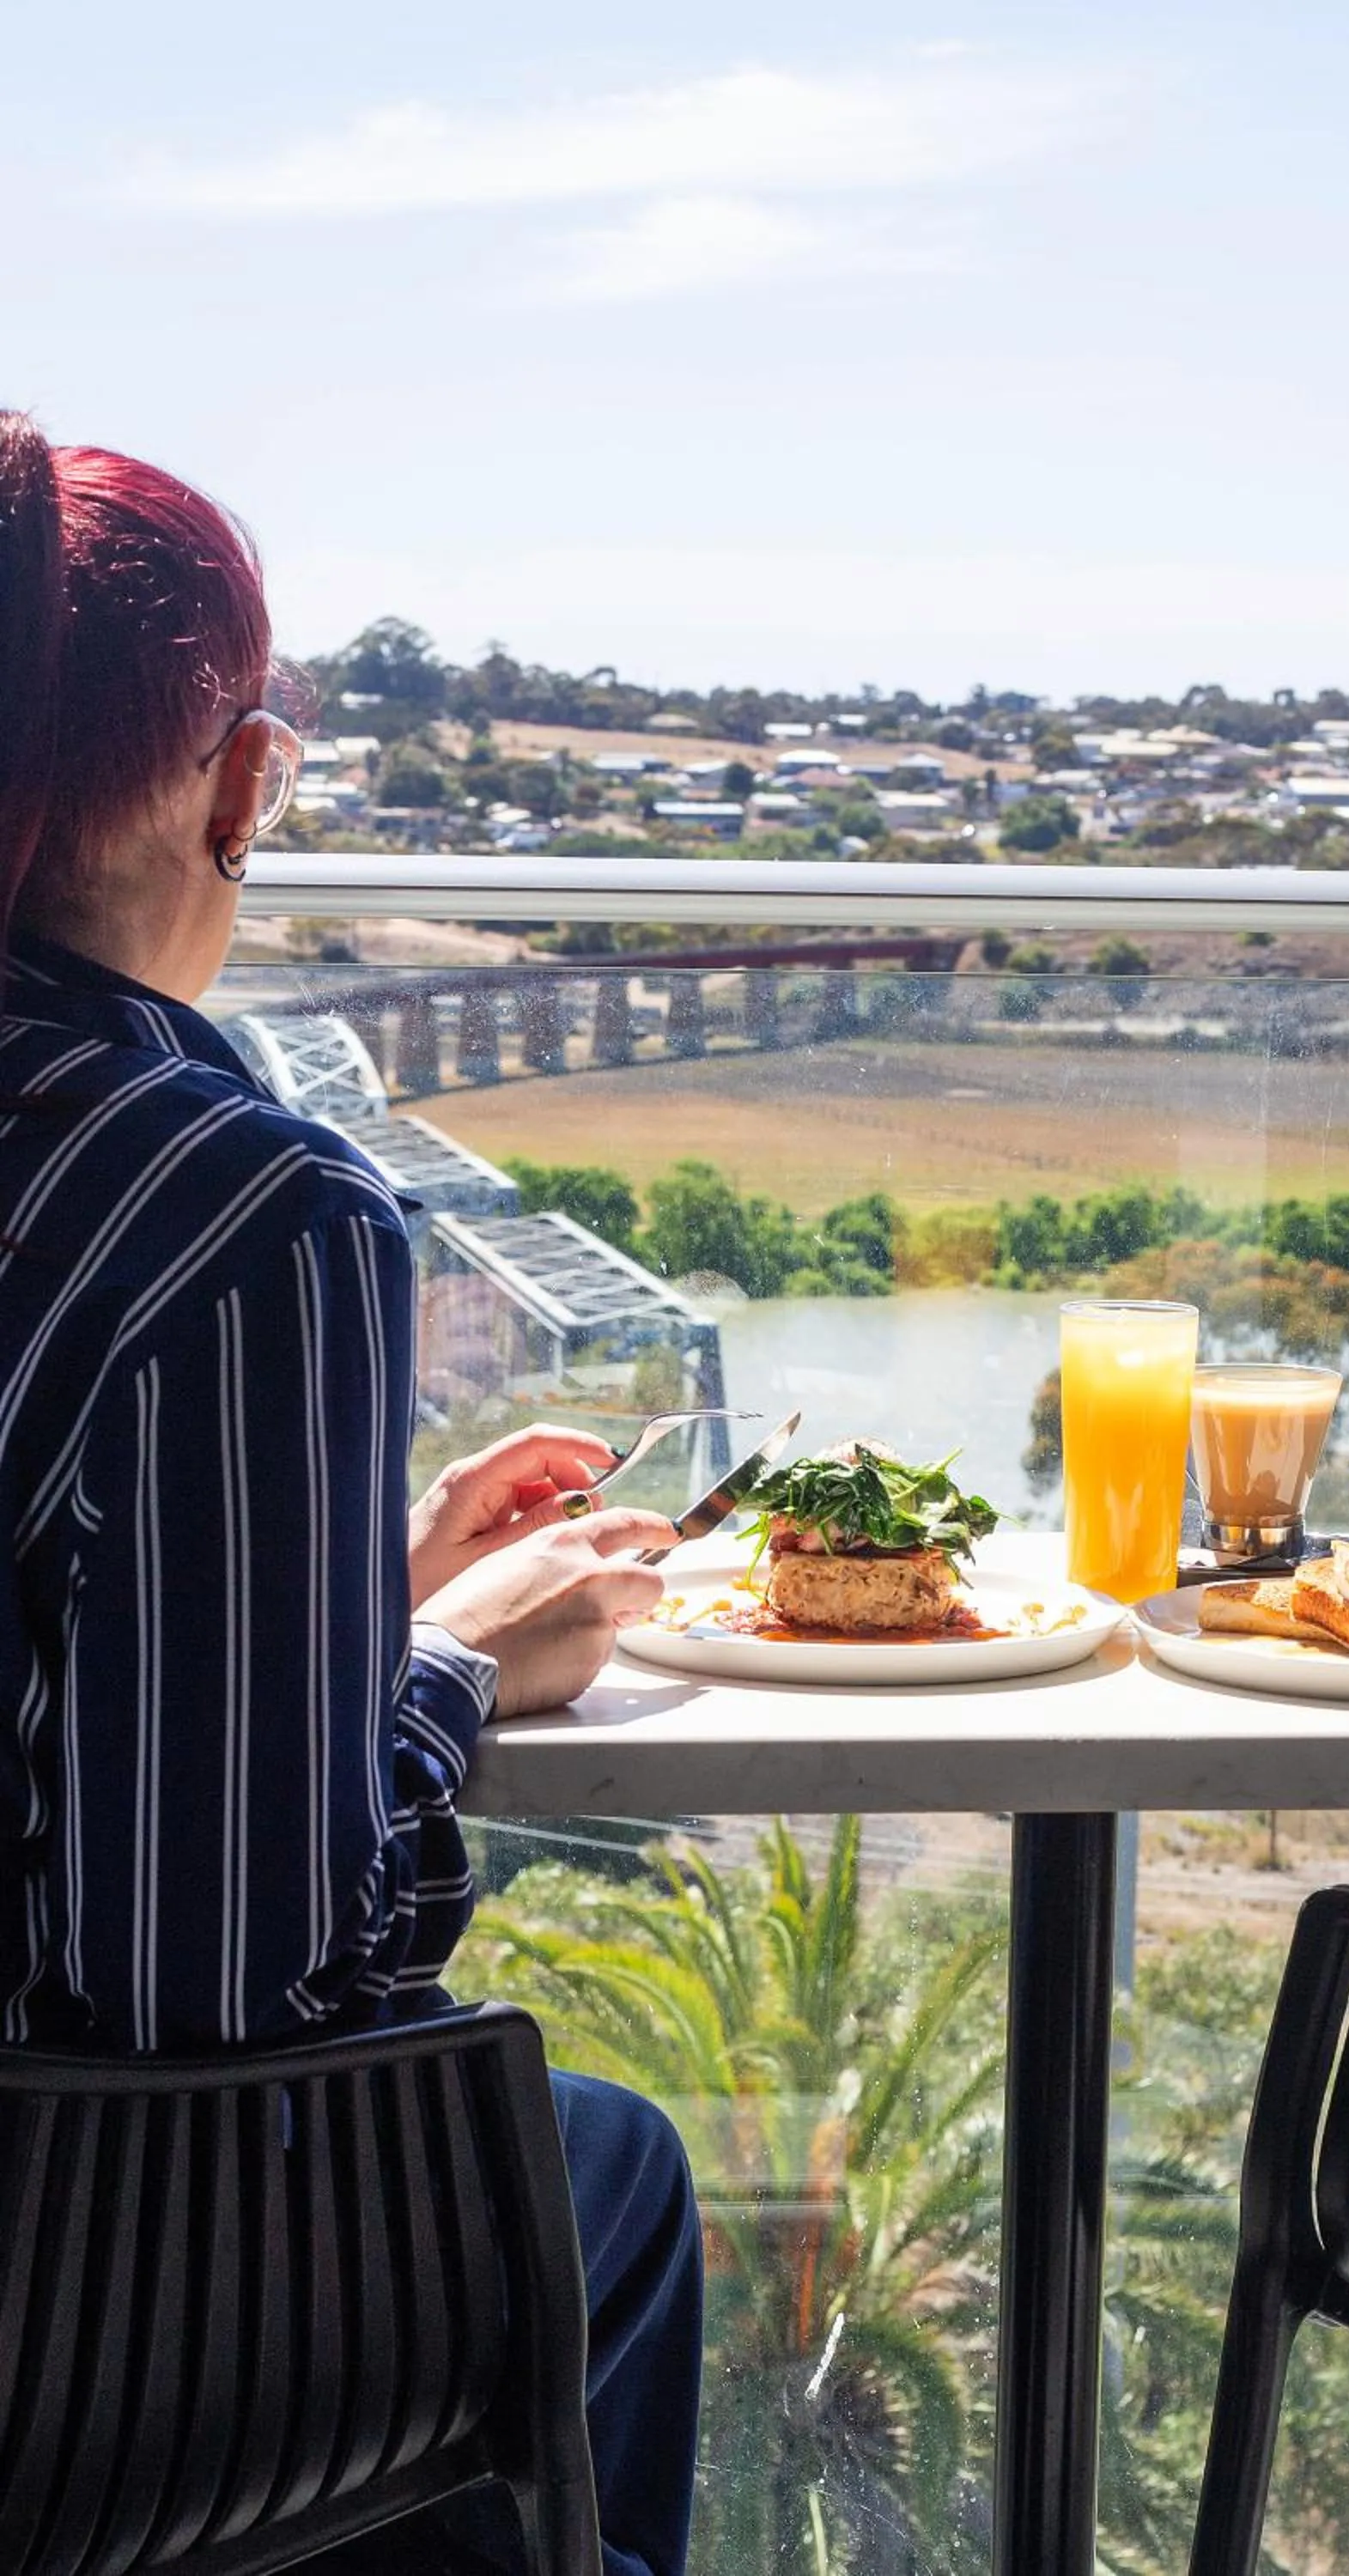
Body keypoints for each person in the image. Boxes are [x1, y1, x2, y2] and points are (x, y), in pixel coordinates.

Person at [0, 413, 701, 2576]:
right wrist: (443, 1658)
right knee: (599, 2170)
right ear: (234, 784)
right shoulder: (241, 1209)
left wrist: (326, 1598)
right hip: (62, 2340)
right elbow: (228, 1981)